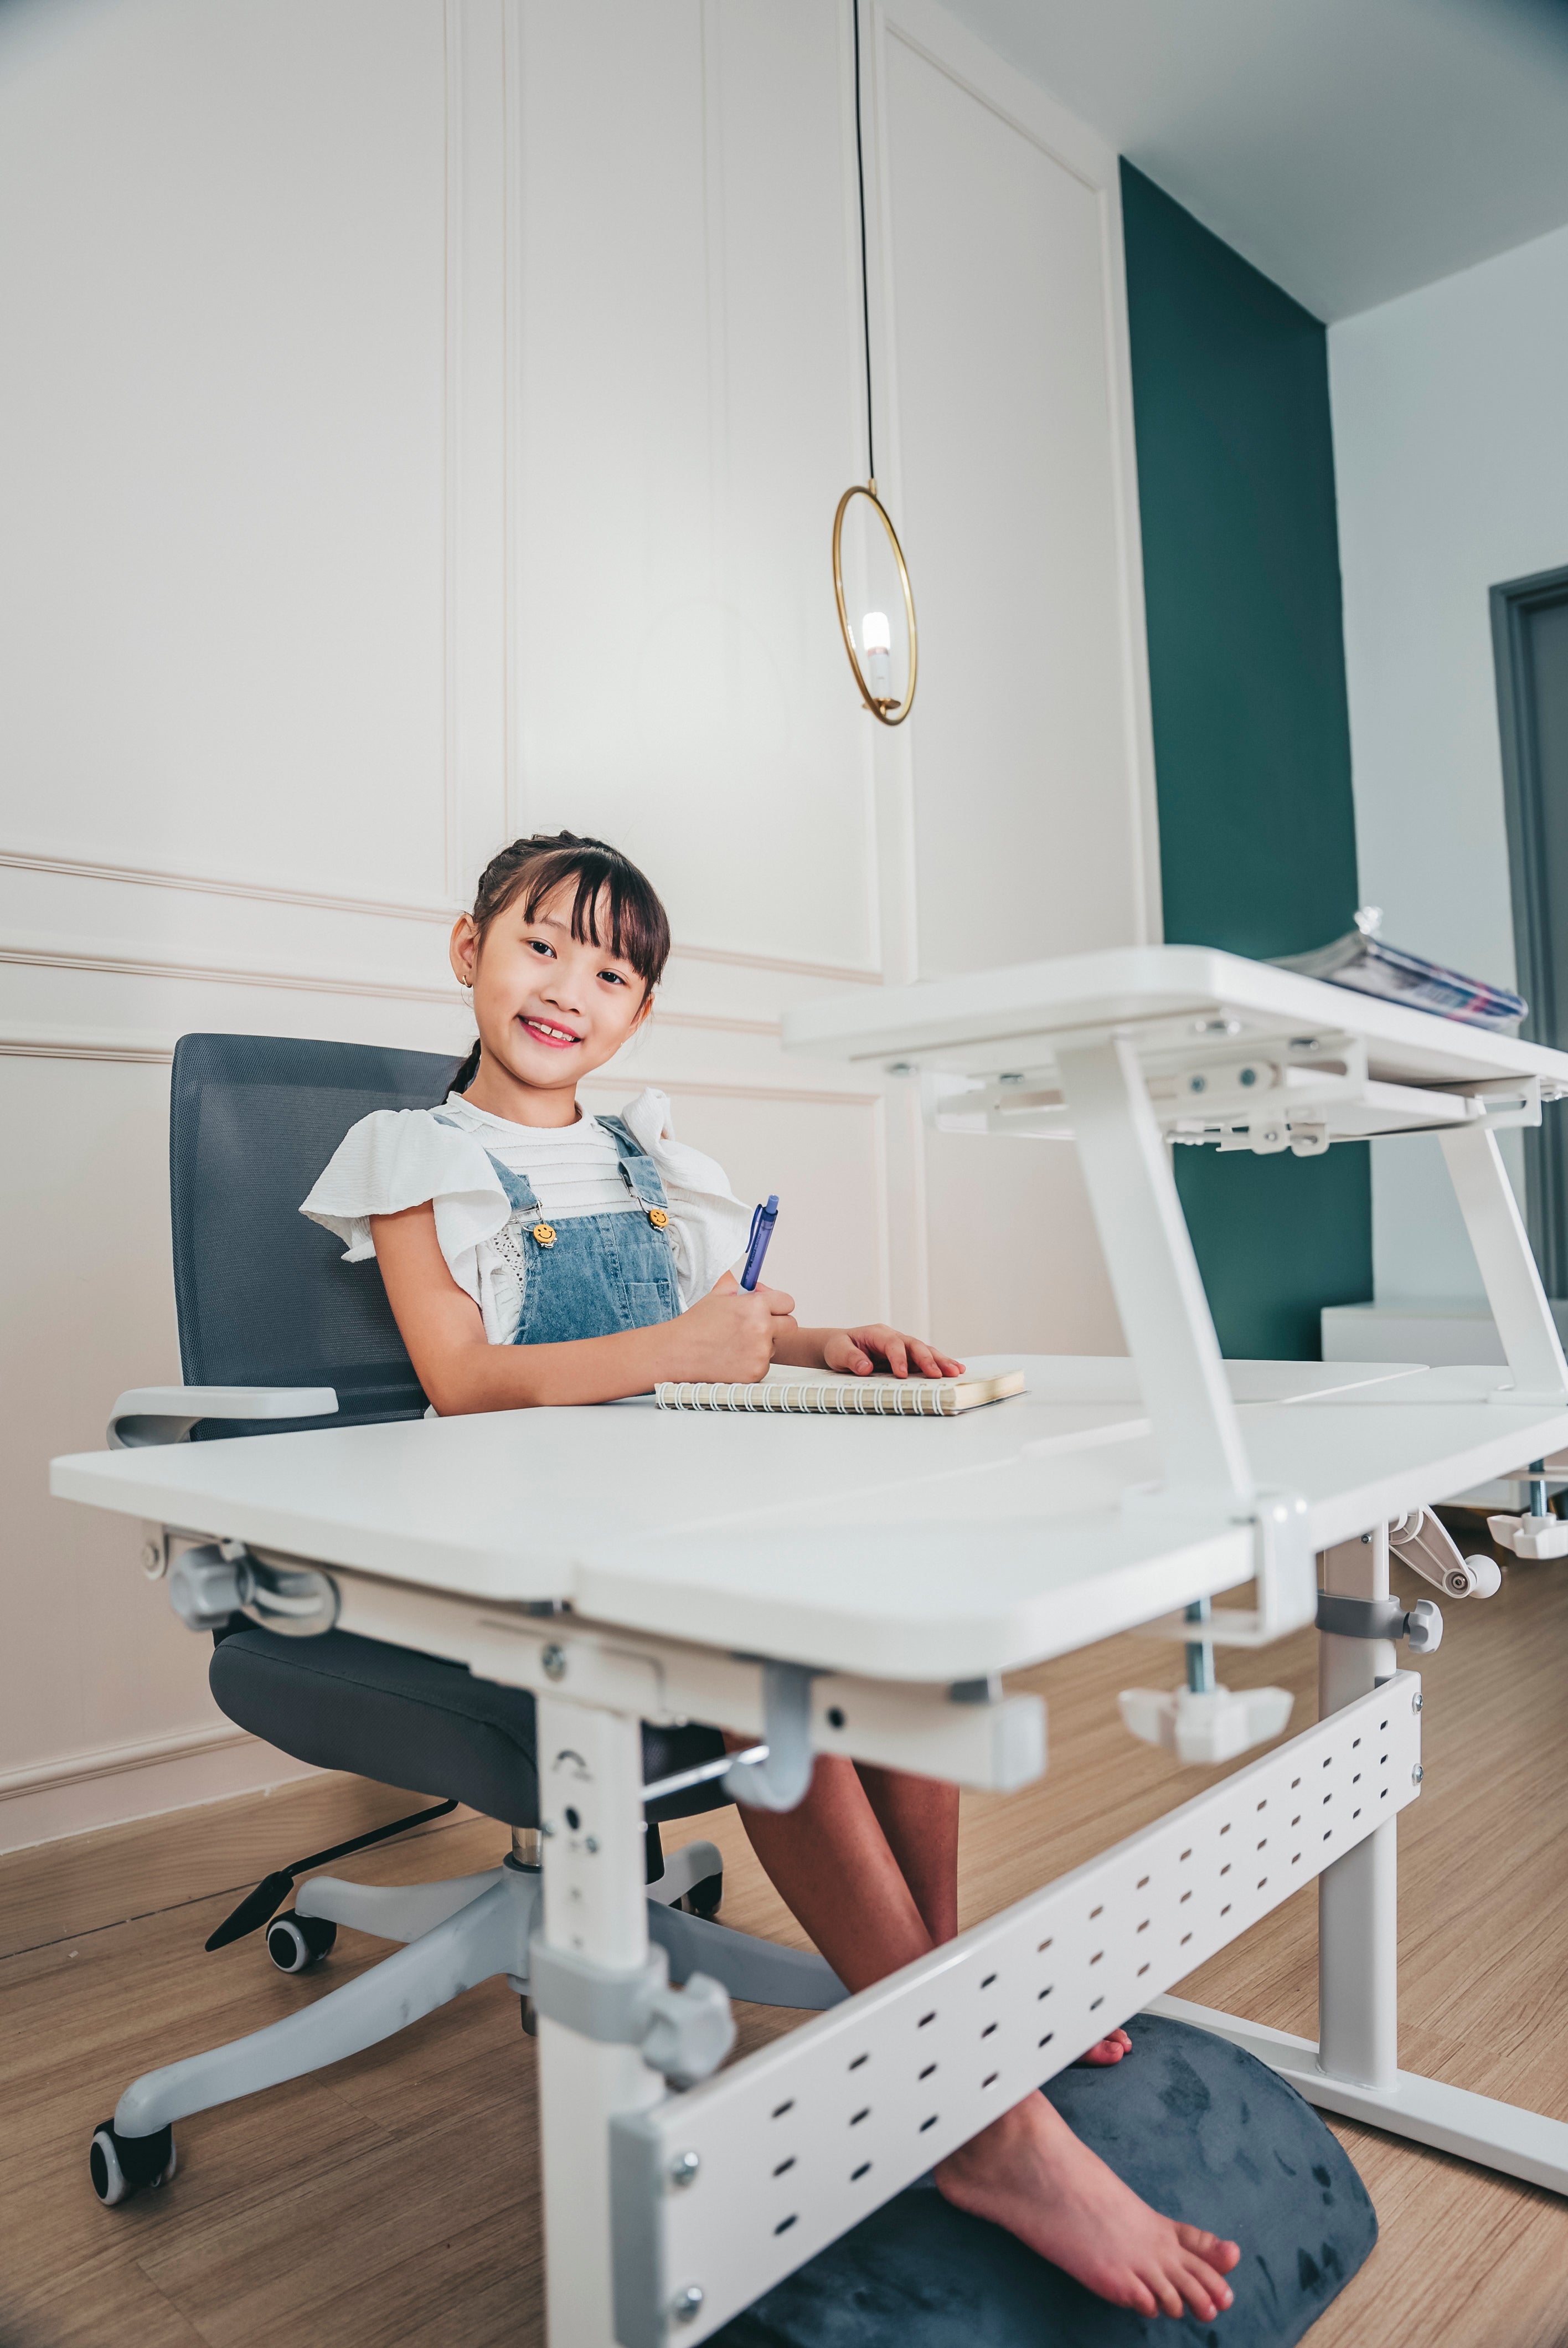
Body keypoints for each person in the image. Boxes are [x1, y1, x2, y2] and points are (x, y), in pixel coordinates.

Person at [301, 831, 1240, 2325]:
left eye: (614, 971)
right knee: (768, 1680)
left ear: (640, 1015)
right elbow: (463, 1376)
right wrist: (678, 1351)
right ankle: (987, 2125)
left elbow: (713, 1333)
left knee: (899, 1642)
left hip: (675, 1519)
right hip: (519, 1557)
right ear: (466, 950)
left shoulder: (649, 1154)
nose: (572, 988)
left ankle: (940, 2021)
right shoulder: (416, 1158)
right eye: (542, 945)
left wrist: (812, 1343)